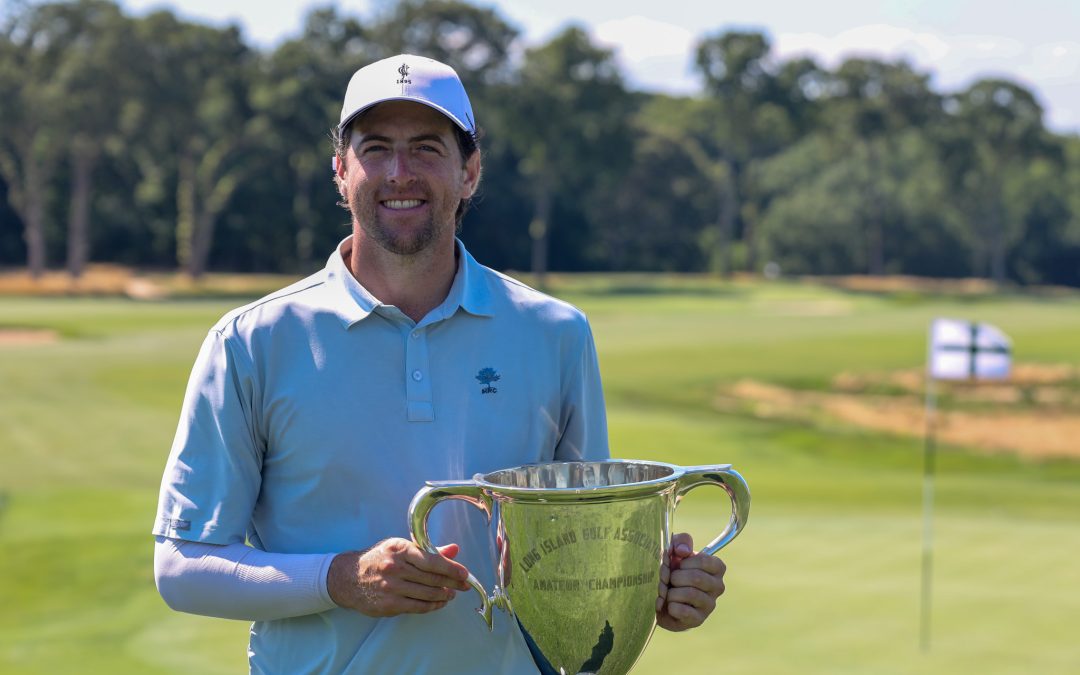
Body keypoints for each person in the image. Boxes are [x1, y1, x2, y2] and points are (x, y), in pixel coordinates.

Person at [153, 53, 727, 674]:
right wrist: (341, 578)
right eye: (376, 149)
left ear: (470, 171)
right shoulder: (250, 341)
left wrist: (651, 586)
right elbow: (183, 567)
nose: (400, 173)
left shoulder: (555, 332)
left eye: (427, 148)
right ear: (341, 171)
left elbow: (583, 549)